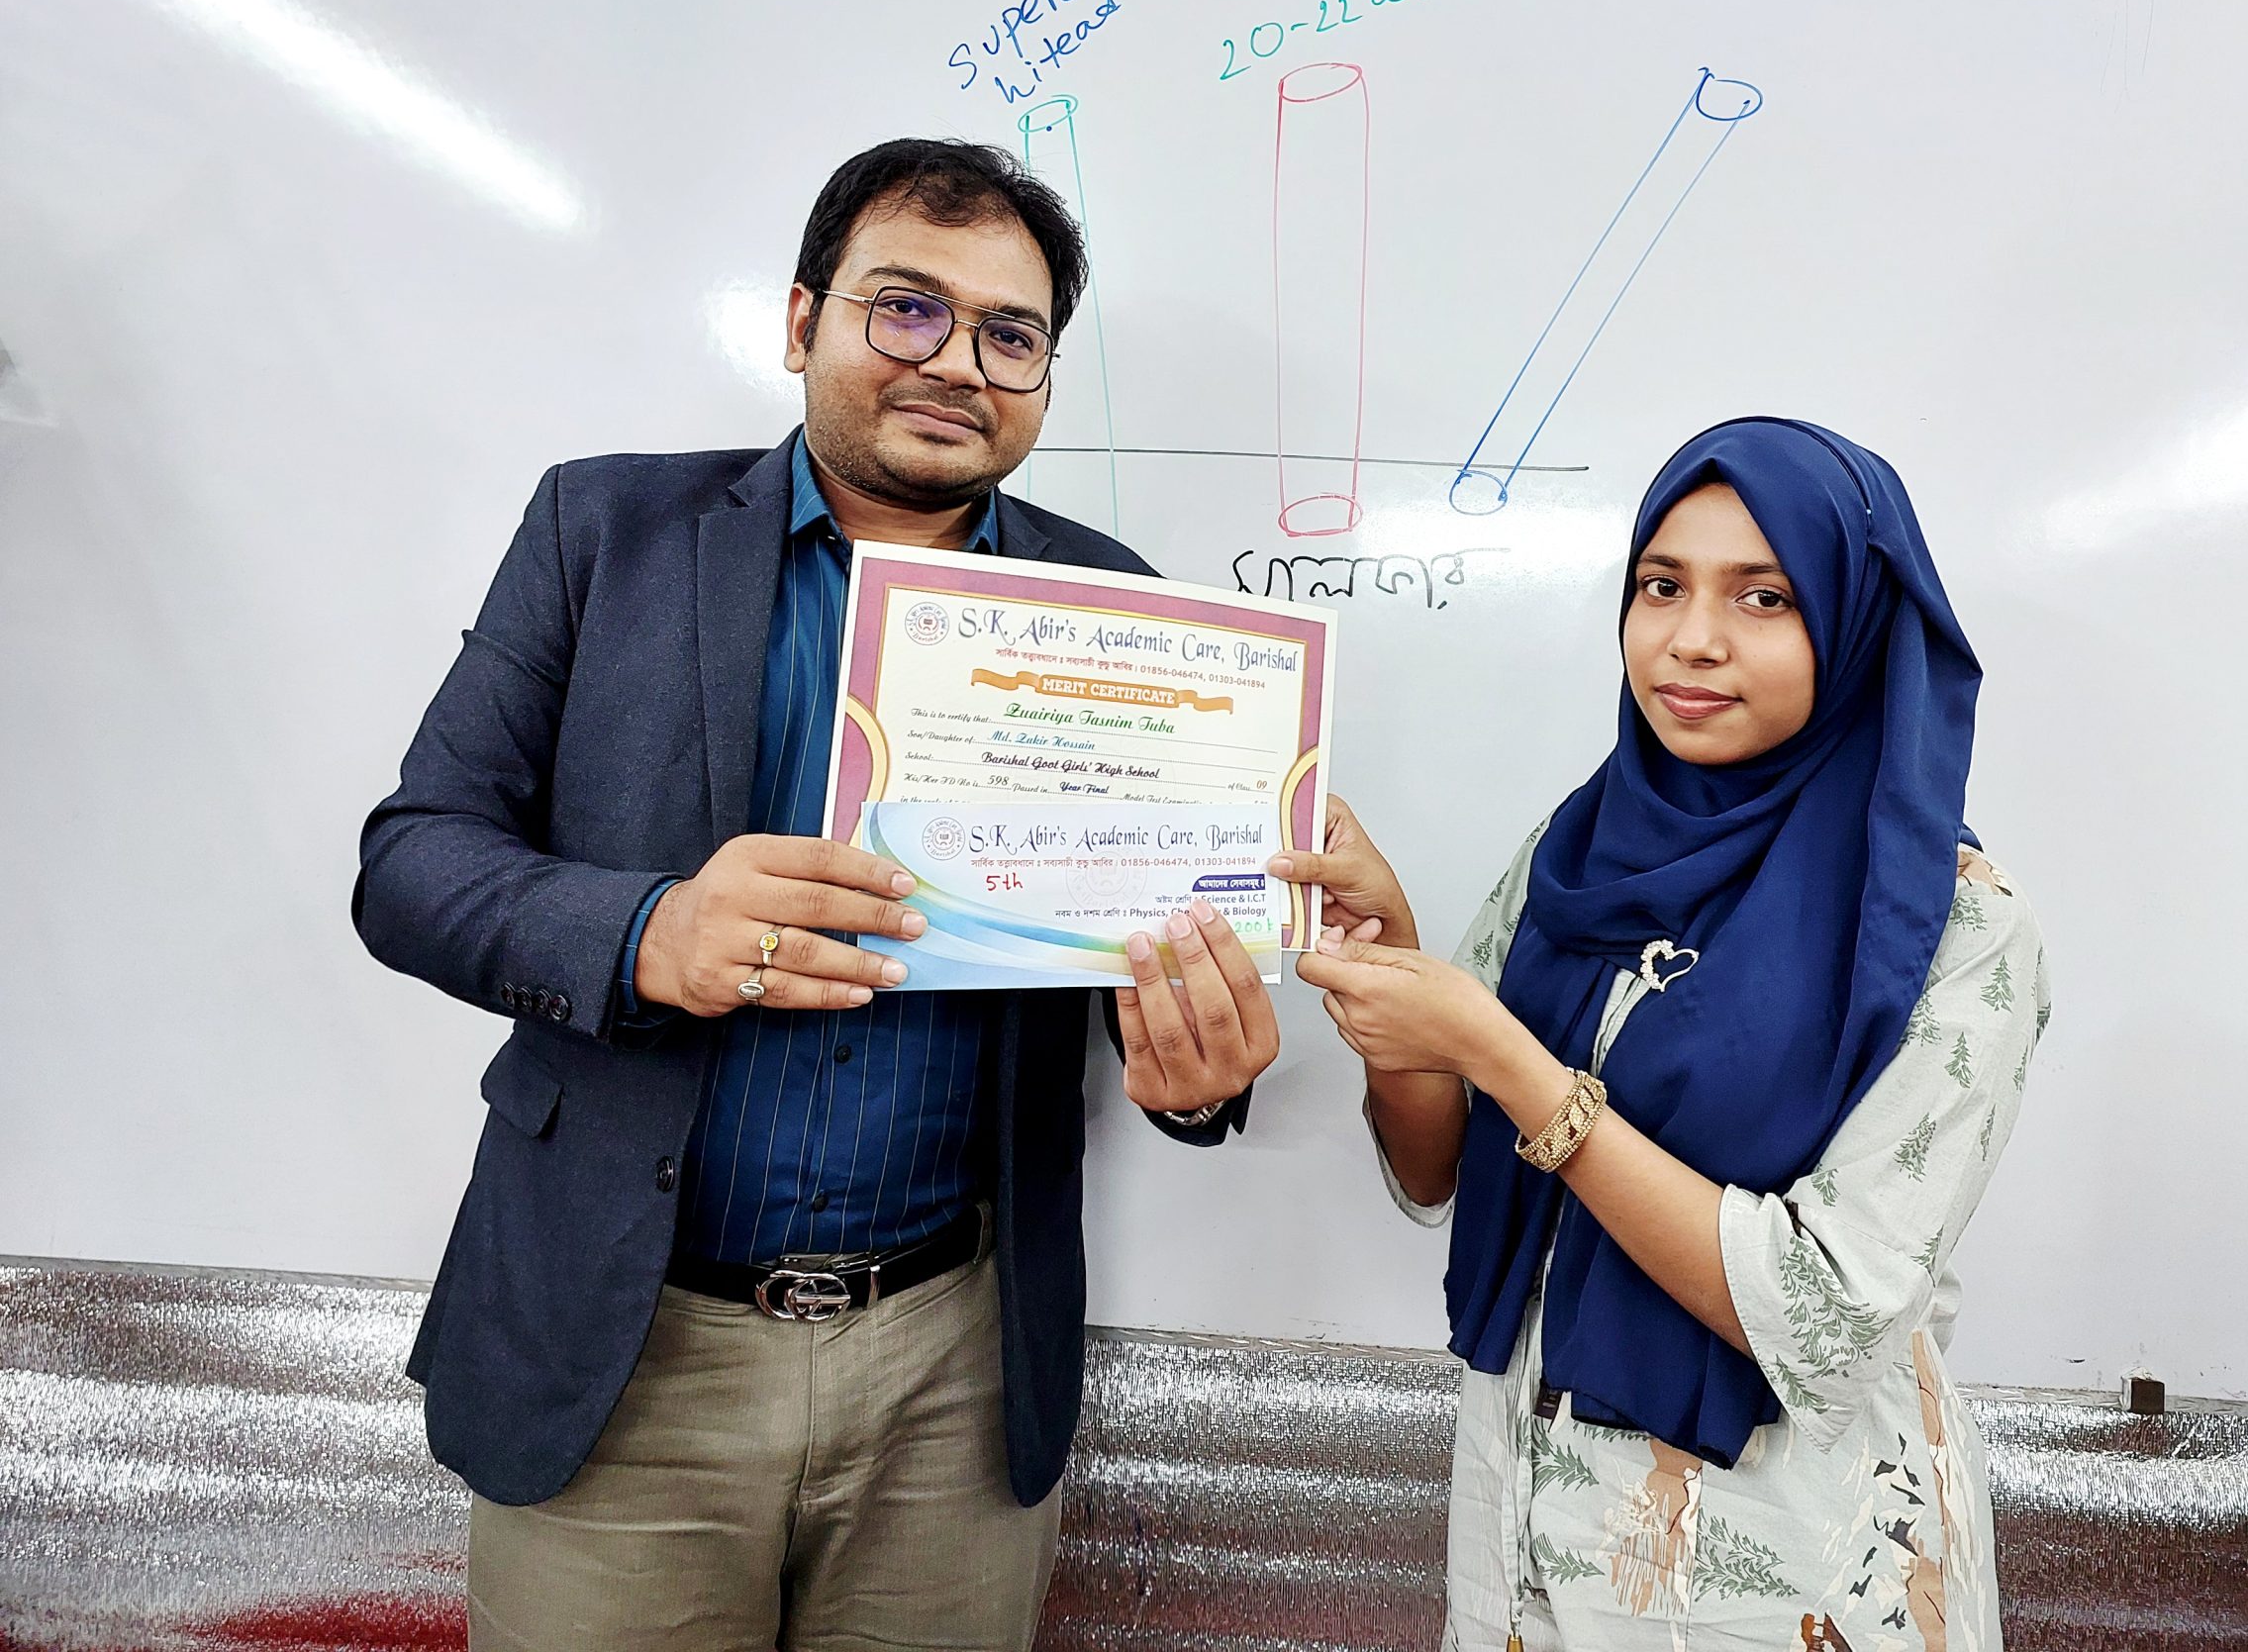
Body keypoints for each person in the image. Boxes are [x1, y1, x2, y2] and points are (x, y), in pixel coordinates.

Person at [351, 139, 1277, 1650]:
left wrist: (1192, 1070)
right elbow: (412, 862)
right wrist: (648, 933)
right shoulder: (603, 533)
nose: (957, 363)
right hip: (625, 1349)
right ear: (801, 321)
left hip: (953, 1370)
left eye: (1010, 334)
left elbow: (1132, 945)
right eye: (907, 308)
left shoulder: (1116, 606)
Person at [1277, 418, 2048, 1651]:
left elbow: (1824, 1313)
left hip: (1779, 1565)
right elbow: (1434, 1171)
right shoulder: (1577, 851)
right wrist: (1392, 969)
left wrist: (1509, 1062)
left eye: (1764, 597)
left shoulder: (1953, 925)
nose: (1692, 637)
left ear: (1854, 623)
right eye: (1660, 585)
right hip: (1520, 1515)